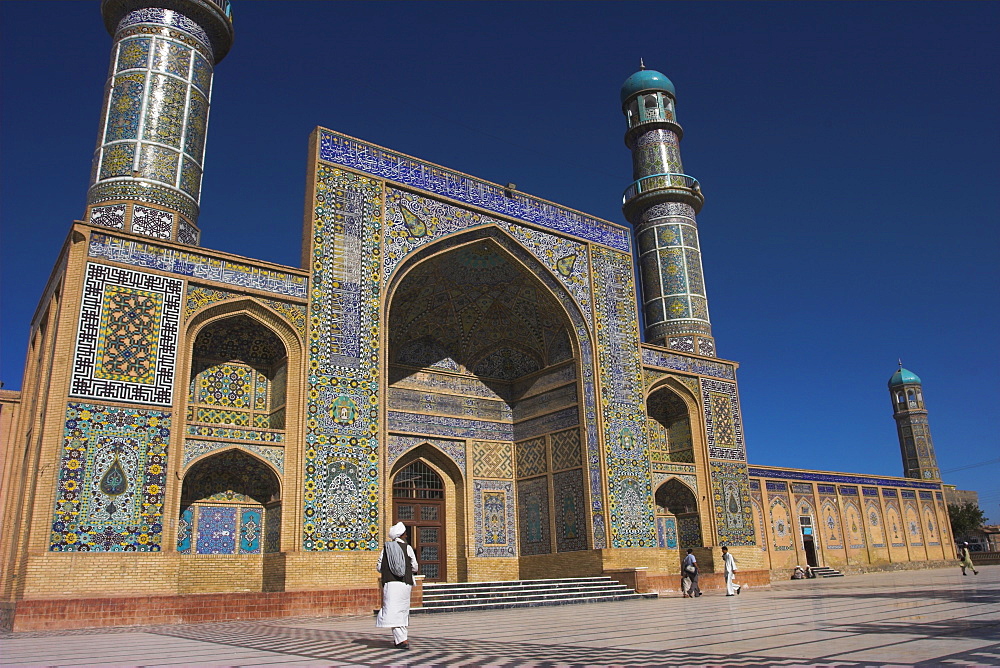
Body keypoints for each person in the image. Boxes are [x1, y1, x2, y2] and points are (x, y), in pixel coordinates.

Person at [376, 522, 419, 649]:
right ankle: (402, 639)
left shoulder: (386, 548)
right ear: (403, 534)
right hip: (405, 583)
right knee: (401, 611)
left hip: (390, 584)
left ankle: (401, 640)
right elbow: (415, 567)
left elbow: (379, 567)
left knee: (393, 611)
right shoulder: (408, 548)